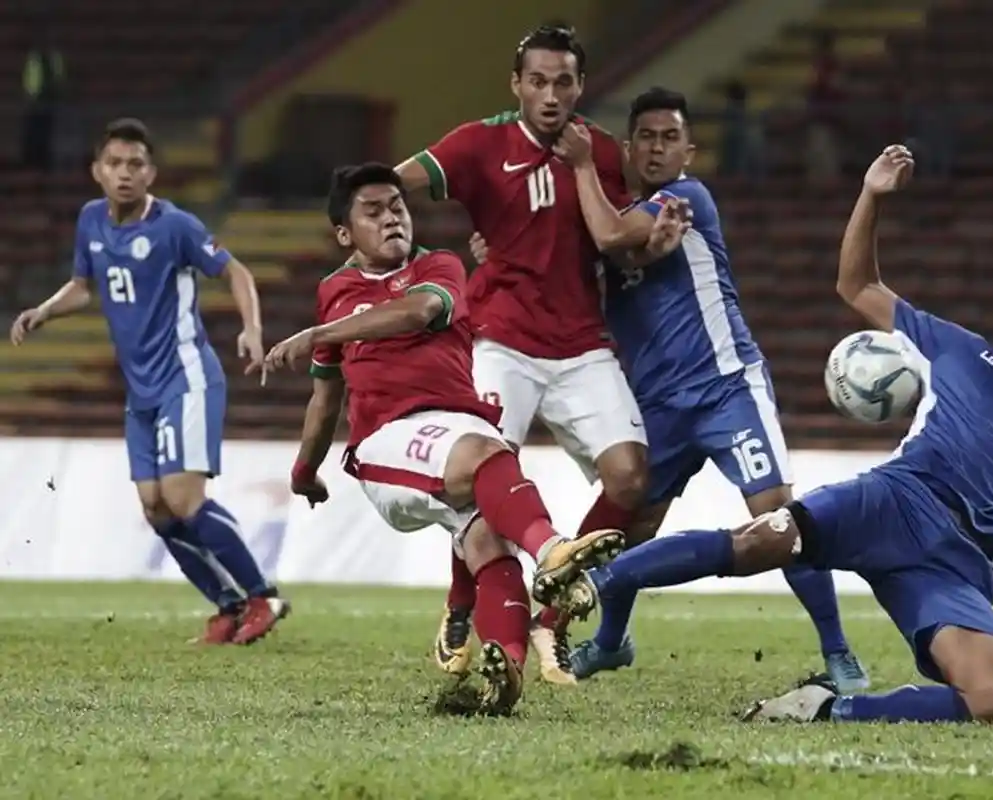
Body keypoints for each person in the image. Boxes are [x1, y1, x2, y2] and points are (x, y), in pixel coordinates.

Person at [571, 144, 993, 724]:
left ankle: (826, 711)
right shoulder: (954, 348)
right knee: (765, 539)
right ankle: (600, 579)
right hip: (894, 501)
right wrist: (871, 195)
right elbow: (857, 285)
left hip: (957, 563)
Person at [468, 87, 868, 689]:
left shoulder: (686, 199)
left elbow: (606, 237)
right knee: (627, 528)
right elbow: (559, 255)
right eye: (647, 138)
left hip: (725, 387)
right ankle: (609, 644)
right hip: (658, 406)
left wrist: (580, 164)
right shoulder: (614, 214)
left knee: (779, 520)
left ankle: (840, 654)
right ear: (629, 148)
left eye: (669, 137)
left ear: (689, 151)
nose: (657, 147)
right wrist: (497, 248)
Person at [261, 163, 639, 714]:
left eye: (398, 205)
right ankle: (553, 550)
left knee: (489, 541)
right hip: (388, 438)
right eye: (373, 211)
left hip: (454, 424)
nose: (392, 217)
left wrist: (321, 332)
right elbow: (326, 398)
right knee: (487, 454)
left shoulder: (438, 267)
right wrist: (303, 470)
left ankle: (505, 668)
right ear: (345, 234)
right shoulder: (335, 291)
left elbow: (419, 311)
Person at [392, 24, 661, 684]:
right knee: (482, 482)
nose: (550, 94)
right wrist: (431, 262)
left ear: (580, 86)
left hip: (579, 344)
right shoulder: (479, 142)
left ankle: (552, 622)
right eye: (537, 81)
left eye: (563, 81)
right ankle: (461, 607)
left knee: (630, 480)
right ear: (516, 85)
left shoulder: (596, 149)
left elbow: (615, 238)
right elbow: (393, 188)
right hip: (500, 339)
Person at [9, 118, 287, 645]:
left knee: (184, 498)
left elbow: (238, 272)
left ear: (152, 172)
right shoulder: (91, 221)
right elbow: (82, 286)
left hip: (186, 378)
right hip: (140, 394)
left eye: (136, 164)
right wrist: (43, 311)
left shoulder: (174, 225)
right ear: (97, 171)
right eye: (114, 163)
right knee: (156, 509)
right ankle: (228, 607)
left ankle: (261, 593)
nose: (125, 173)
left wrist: (252, 329)